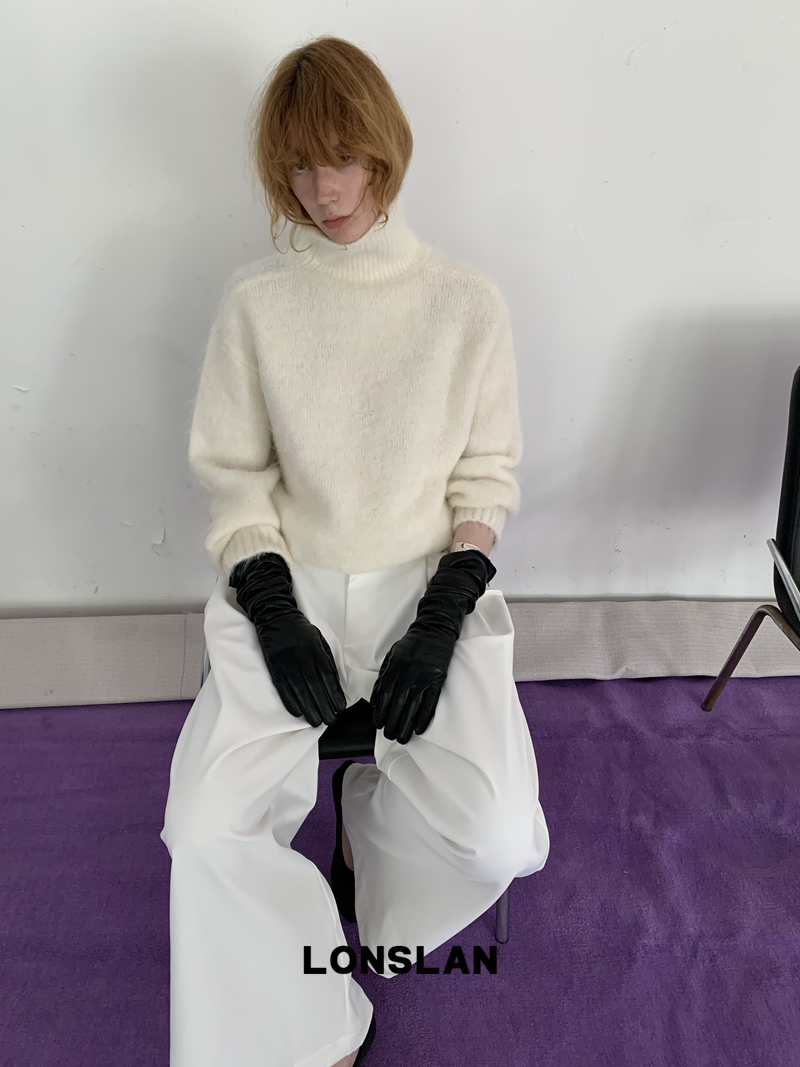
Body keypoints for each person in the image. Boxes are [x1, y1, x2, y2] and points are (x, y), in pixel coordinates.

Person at [159, 34, 550, 1067]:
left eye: (340, 157)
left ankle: (368, 835)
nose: (321, 189)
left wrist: (443, 612)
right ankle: (316, 1014)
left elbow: (484, 480)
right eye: (297, 165)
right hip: (286, 591)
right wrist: (271, 604)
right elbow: (235, 477)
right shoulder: (257, 303)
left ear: (384, 149)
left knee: (497, 835)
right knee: (202, 830)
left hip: (421, 588)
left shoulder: (466, 304)